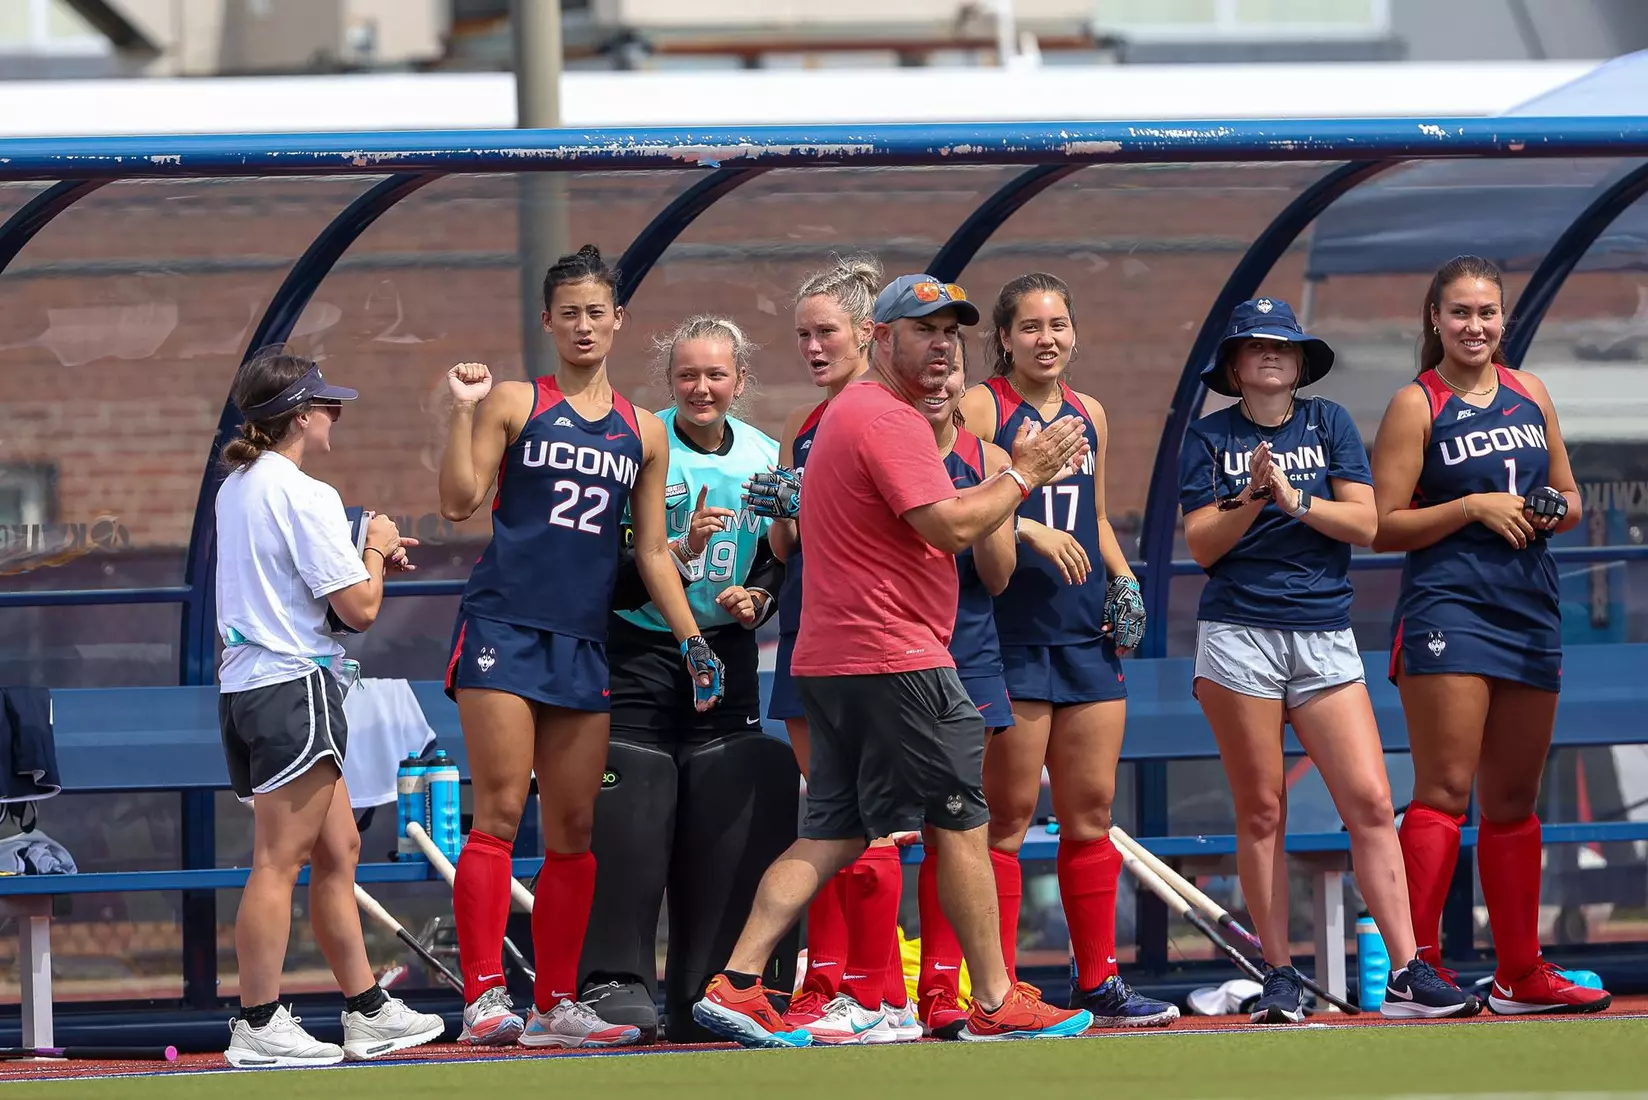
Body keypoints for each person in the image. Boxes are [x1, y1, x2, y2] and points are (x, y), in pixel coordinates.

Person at [694, 273, 1096, 1047]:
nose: (940, 344)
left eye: (949, 331)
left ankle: (737, 982)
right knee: (963, 821)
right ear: (881, 338)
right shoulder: (887, 417)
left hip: (838, 658)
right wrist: (1023, 475)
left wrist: (1006, 485)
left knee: (834, 832)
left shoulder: (854, 412)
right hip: (894, 655)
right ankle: (994, 1001)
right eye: (922, 329)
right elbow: (950, 528)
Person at [438, 245, 726, 1048]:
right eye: (569, 313)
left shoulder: (643, 430)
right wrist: (460, 410)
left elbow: (654, 552)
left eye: (597, 312)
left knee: (572, 829)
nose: (584, 325)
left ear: (618, 319)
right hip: (503, 629)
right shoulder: (514, 400)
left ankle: (555, 1005)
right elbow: (458, 502)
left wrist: (693, 640)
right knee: (500, 812)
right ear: (548, 321)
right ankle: (483, 999)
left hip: (584, 643)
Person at [1180, 298, 1478, 1023]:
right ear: (1234, 366)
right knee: (1262, 809)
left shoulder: (1328, 421)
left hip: (1323, 632)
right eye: (1256, 346)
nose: (1271, 355)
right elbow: (1202, 544)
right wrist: (1253, 496)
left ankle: (1407, 971)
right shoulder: (1209, 435)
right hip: (1239, 634)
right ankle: (1279, 975)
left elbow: (1367, 522)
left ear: (1300, 361)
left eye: (1283, 345)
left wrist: (1293, 499)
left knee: (1371, 802)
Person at [1370, 255, 1610, 1016]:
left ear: (1503, 319)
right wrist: (1472, 506)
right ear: (1435, 319)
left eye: (1486, 313)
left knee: (1513, 800)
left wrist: (1548, 508)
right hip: (1450, 609)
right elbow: (1382, 525)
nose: (1474, 326)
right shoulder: (1416, 402)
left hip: (1529, 609)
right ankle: (1416, 971)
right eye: (1460, 313)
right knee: (1444, 791)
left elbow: (1571, 498)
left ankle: (1518, 975)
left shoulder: (1530, 391)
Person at [214, 347, 445, 1068]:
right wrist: (374, 548)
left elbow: (298, 585)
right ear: (297, 417)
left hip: (254, 688)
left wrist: (362, 552)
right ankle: (258, 1021)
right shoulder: (303, 491)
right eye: (325, 404)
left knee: (338, 849)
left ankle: (367, 1009)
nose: (334, 414)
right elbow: (360, 609)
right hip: (292, 689)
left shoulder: (238, 486)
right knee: (278, 861)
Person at [957, 273, 1176, 1027]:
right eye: (1030, 327)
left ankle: (1100, 983)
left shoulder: (1090, 412)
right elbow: (958, 505)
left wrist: (1126, 580)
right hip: (1011, 636)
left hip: (1085, 636)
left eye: (1058, 325)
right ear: (1005, 338)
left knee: (1091, 812)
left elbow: (1097, 515)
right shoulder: (982, 407)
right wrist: (1028, 529)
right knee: (1007, 819)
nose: (1046, 339)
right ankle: (999, 989)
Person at [578, 315, 799, 1044]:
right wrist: (674, 550)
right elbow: (611, 564)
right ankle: (614, 982)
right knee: (633, 803)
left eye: (716, 375)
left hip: (727, 655)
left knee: (730, 798)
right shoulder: (642, 442)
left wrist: (757, 598)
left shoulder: (764, 455)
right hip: (639, 651)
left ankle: (712, 989)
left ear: (740, 380)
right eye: (687, 375)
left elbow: (776, 558)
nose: (701, 388)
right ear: (669, 381)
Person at [755, 254, 921, 1044]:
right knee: (828, 813)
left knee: (871, 819)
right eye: (802, 335)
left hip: (871, 635)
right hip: (806, 630)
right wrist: (783, 509)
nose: (813, 347)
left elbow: (919, 522)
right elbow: (784, 548)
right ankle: (829, 987)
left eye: (826, 331)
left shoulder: (890, 412)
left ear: (866, 333)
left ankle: (882, 994)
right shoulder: (801, 424)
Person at [909, 342, 1018, 1039]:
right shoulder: (887, 445)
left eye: (949, 373)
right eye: (927, 373)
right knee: (872, 827)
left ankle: (947, 990)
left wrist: (988, 500)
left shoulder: (990, 458)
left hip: (967, 655)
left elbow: (998, 575)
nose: (938, 384)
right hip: (896, 652)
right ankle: (866, 991)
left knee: (958, 825)